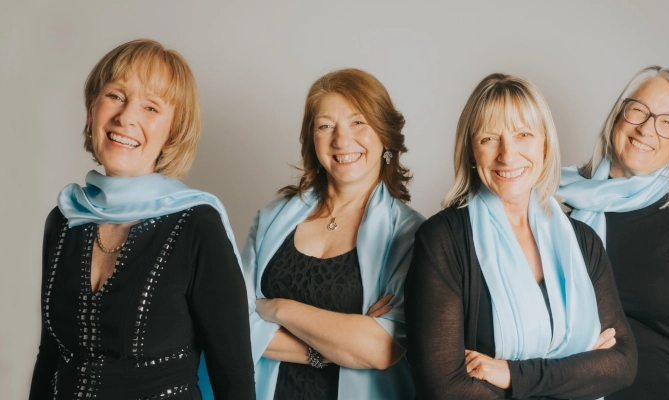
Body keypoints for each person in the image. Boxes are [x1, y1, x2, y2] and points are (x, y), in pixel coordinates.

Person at [29, 39, 255, 400]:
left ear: (173, 133)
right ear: (92, 108)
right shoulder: (64, 219)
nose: (126, 117)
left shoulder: (199, 226)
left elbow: (235, 378)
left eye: (151, 107)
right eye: (116, 96)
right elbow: (50, 356)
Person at [405, 73, 637, 399]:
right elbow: (445, 388)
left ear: (545, 144)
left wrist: (512, 375)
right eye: (489, 139)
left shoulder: (583, 243)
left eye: (523, 135)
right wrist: (577, 370)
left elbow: (622, 363)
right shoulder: (442, 241)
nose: (507, 155)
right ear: (471, 151)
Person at [557, 65, 669, 399]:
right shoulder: (555, 198)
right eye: (639, 111)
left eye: (667, 122)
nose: (646, 129)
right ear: (618, 115)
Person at [244, 68, 424, 400]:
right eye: (325, 126)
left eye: (358, 123)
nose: (341, 140)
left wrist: (276, 309)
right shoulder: (270, 220)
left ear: (385, 134)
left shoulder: (411, 234)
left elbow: (380, 347)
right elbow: (233, 324)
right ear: (312, 140)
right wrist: (331, 348)